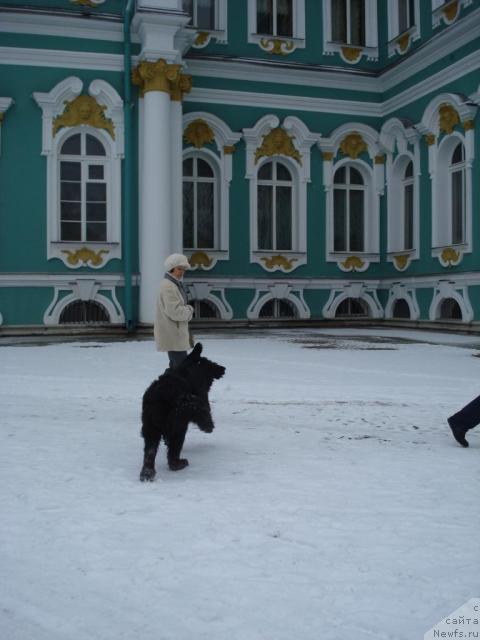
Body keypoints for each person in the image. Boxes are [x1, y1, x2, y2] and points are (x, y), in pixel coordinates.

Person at [154, 253, 194, 369]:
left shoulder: (174, 284)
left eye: (183, 269)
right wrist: (190, 310)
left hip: (175, 334)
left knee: (176, 368)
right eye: (179, 269)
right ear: (171, 268)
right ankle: (165, 387)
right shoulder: (168, 286)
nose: (182, 272)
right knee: (181, 369)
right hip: (173, 334)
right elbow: (174, 312)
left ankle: (163, 387)